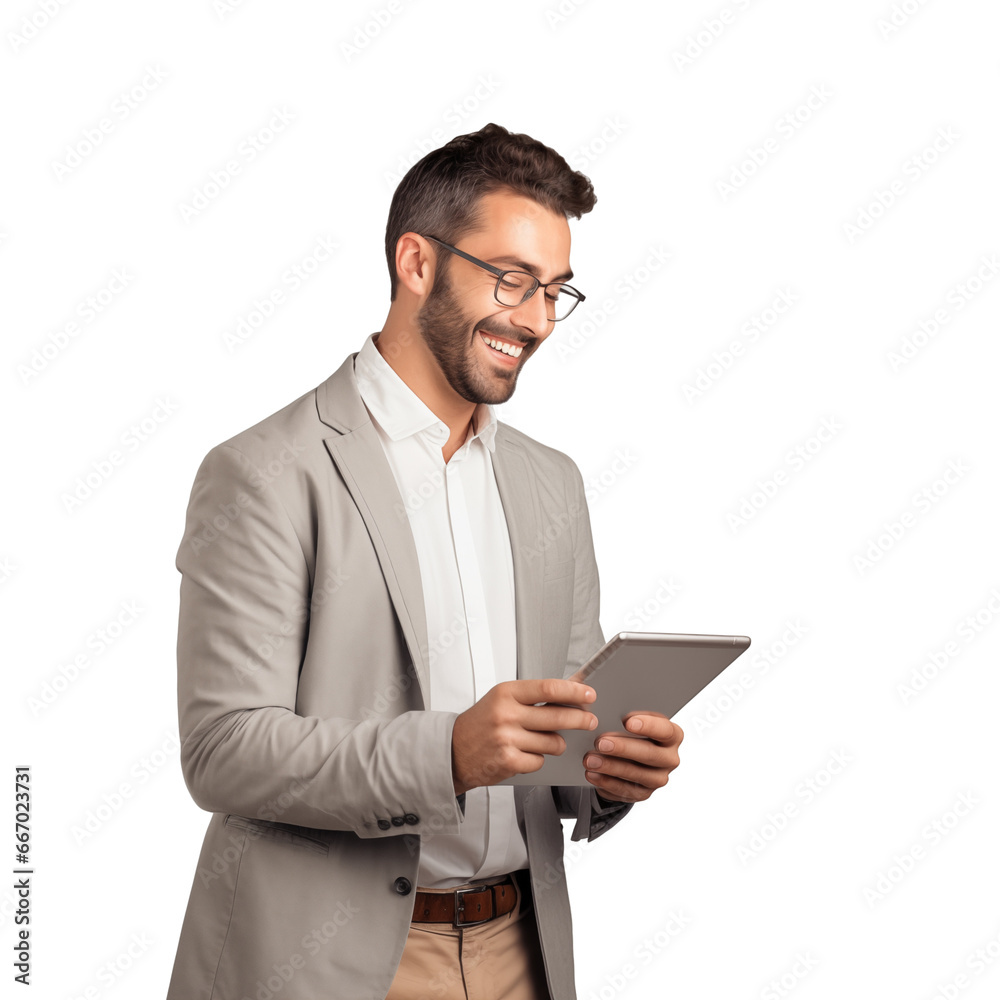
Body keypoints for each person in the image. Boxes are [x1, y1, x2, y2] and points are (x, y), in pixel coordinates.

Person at [166, 123, 683, 1000]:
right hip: (331, 966)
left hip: (522, 951)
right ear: (416, 263)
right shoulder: (264, 472)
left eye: (556, 291)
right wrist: (448, 753)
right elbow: (224, 749)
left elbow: (561, 718)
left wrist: (607, 774)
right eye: (512, 279)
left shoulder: (550, 483)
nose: (536, 320)